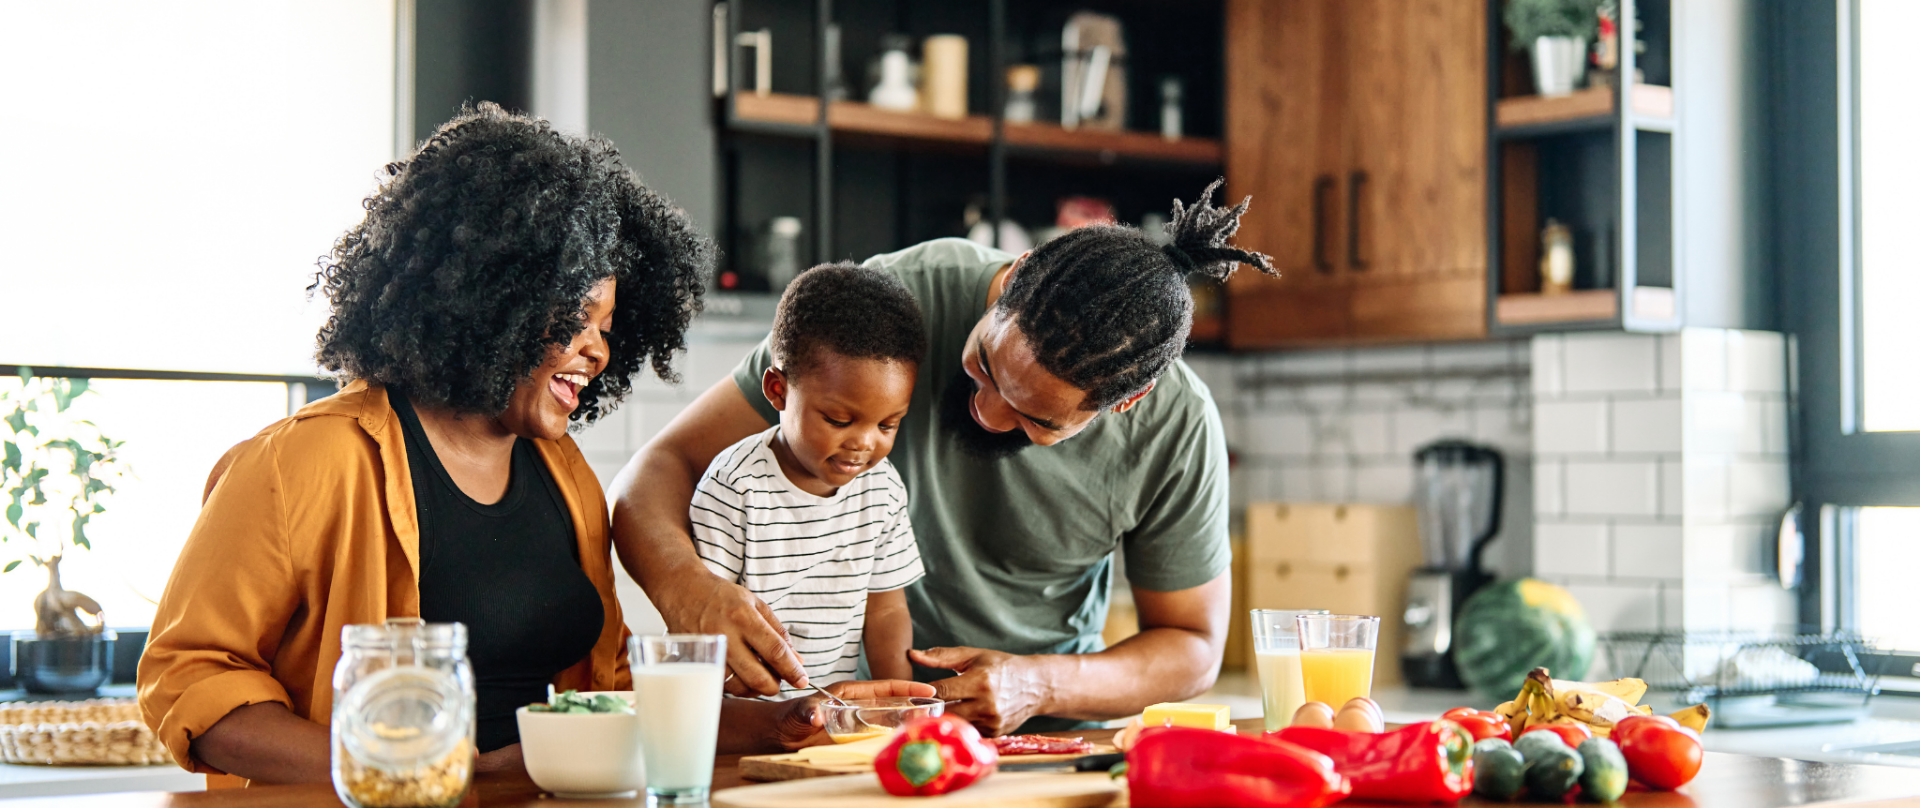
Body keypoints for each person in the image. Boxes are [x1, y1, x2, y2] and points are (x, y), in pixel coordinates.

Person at [137, 105, 914, 787]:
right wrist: (421, 771)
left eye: (607, 329)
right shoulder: (302, 463)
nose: (598, 352)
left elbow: (604, 694)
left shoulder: (564, 474)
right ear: (484, 299)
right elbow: (189, 678)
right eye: (576, 320)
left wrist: (787, 719)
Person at [613, 180, 1277, 734]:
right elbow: (656, 472)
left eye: (1037, 419)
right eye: (985, 364)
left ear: (1122, 405)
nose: (986, 411)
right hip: (834, 730)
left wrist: (1039, 684)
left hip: (1034, 747)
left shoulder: (1176, 426)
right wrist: (689, 591)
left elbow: (1192, 648)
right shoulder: (888, 307)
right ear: (1015, 275)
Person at [691, 262, 927, 697]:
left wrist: (897, 706)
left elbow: (887, 612)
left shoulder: (882, 489)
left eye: (888, 425)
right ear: (778, 390)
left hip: (837, 714)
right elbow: (705, 625)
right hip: (744, 714)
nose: (863, 444)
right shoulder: (734, 485)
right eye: (839, 419)